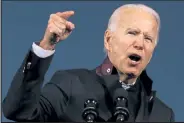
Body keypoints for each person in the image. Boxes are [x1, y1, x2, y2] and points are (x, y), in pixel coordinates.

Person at [3, 4, 175, 122]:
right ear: (108, 40)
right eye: (132, 32)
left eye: (148, 38)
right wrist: (46, 45)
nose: (140, 43)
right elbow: (19, 112)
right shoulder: (71, 84)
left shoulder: (161, 114)